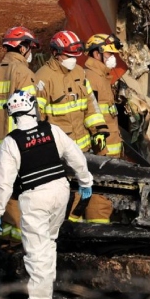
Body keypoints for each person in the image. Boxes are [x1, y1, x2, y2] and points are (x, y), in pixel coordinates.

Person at [0, 91, 92, 299]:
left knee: (37, 248)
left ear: (12, 114)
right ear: (33, 108)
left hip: (35, 196)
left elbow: (4, 183)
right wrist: (85, 181)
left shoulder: (11, 142)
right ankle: (47, 289)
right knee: (49, 242)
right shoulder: (51, 129)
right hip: (60, 190)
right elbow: (76, 156)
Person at [33, 31, 113, 223]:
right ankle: (66, 232)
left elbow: (90, 105)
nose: (72, 60)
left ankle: (79, 229)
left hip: (83, 149)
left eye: (75, 56)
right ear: (55, 53)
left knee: (85, 191)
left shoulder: (79, 73)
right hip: (59, 154)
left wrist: (99, 130)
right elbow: (37, 119)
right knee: (66, 198)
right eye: (68, 56)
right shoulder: (42, 78)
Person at [0, 26, 39, 155]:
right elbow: (33, 112)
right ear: (23, 48)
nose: (30, 53)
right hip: (18, 147)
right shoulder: (24, 74)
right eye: (30, 48)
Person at [83, 34, 124, 158]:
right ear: (97, 54)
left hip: (112, 149)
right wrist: (101, 151)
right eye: (109, 54)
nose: (113, 58)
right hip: (105, 154)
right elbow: (90, 114)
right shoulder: (91, 78)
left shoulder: (102, 77)